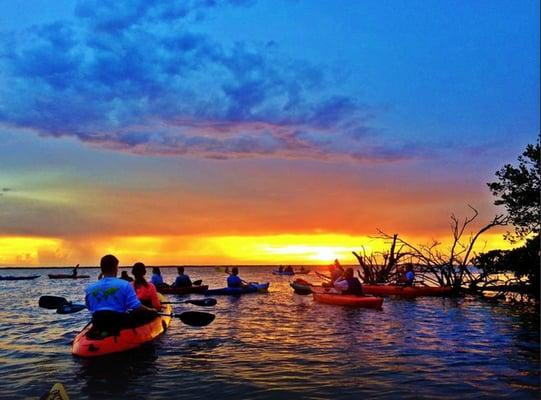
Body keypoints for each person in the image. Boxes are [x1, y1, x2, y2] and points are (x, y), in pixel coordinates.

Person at [85, 255, 157, 334]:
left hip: (97, 322)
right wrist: (151, 311)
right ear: (116, 268)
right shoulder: (125, 285)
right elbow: (136, 307)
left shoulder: (90, 288)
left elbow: (89, 307)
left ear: (101, 269)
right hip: (118, 323)